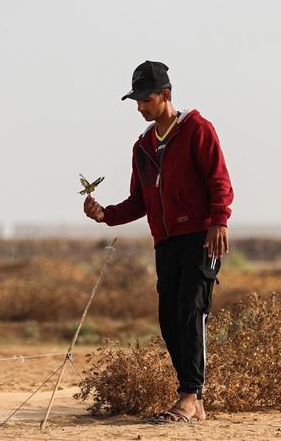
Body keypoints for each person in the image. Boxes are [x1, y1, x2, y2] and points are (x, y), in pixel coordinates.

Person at [83, 60, 234, 423]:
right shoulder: (143, 146)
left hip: (201, 237)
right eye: (136, 100)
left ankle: (189, 396)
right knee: (168, 318)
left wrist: (219, 222)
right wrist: (106, 215)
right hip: (165, 241)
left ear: (165, 94)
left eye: (145, 99)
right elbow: (140, 200)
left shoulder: (198, 129)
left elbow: (219, 180)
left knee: (190, 312)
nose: (140, 107)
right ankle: (193, 401)